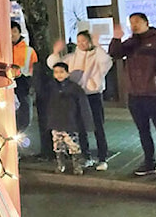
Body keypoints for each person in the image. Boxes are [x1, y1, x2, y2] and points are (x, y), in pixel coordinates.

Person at [109, 13, 156, 179]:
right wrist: (116, 38)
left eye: (138, 22)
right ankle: (149, 163)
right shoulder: (131, 43)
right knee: (143, 130)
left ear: (147, 23)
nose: (134, 25)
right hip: (135, 94)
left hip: (153, 94)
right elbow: (115, 53)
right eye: (131, 22)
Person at [47, 31, 113, 170]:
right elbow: (56, 65)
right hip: (77, 96)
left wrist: (97, 45)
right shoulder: (72, 57)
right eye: (79, 41)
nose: (81, 43)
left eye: (84, 40)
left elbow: (106, 62)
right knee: (80, 126)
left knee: (97, 126)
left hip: (93, 95)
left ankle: (102, 158)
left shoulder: (97, 56)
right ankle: (86, 156)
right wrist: (55, 52)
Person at [43, 63, 94, 175]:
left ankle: (77, 166)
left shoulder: (74, 88)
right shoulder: (50, 87)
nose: (59, 75)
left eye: (61, 72)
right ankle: (60, 165)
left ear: (67, 73)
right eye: (56, 72)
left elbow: (83, 106)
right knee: (57, 146)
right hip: (56, 122)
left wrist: (86, 123)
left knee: (73, 146)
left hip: (70, 123)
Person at [10, 21, 38, 133]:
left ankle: (20, 133)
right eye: (10, 32)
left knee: (24, 112)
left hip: (23, 85)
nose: (12, 34)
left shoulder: (29, 51)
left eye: (15, 31)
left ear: (20, 33)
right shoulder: (2, 50)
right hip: (8, 84)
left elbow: (34, 70)